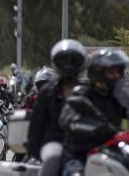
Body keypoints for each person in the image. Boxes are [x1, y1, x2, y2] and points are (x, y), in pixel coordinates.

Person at [59, 49, 129, 176]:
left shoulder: (119, 97)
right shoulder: (82, 94)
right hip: (80, 154)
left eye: (118, 72)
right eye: (111, 72)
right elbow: (65, 119)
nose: (116, 76)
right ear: (98, 74)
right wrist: (94, 127)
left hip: (112, 151)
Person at [27, 39, 87, 176]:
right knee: (53, 160)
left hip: (83, 143)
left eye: (73, 61)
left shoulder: (87, 91)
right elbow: (36, 124)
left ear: (80, 63)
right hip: (55, 141)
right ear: (57, 63)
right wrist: (33, 152)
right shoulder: (47, 92)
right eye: (64, 61)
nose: (68, 65)